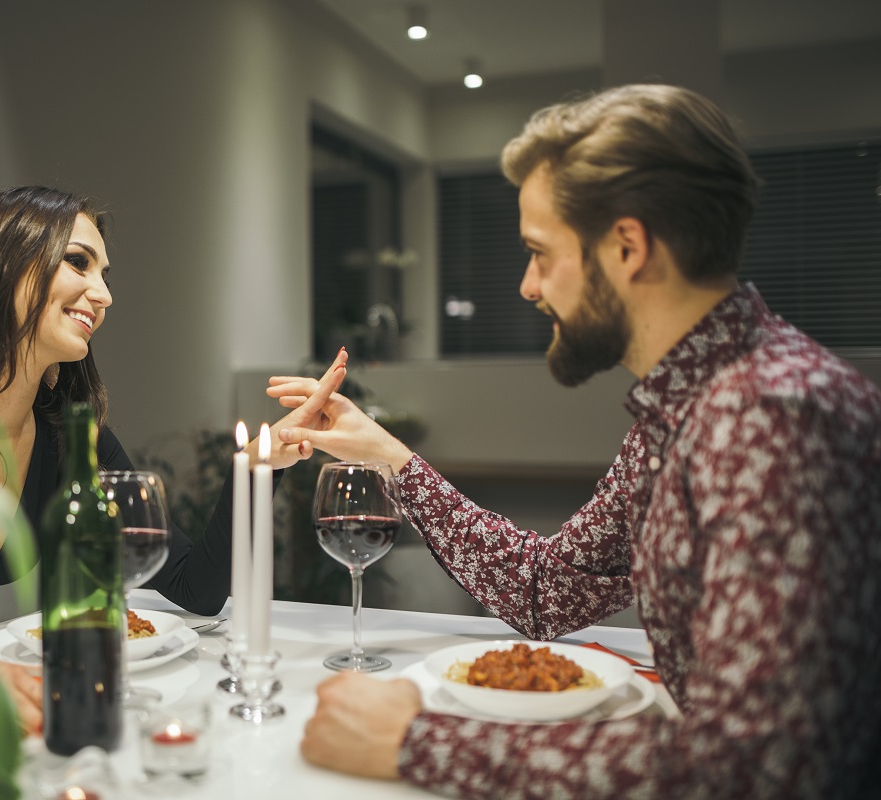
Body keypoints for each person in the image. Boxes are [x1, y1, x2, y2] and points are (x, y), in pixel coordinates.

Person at [274, 84, 881, 798]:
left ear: (627, 247)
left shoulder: (770, 417)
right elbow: (548, 590)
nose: (528, 286)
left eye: (540, 252)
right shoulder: (684, 407)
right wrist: (388, 456)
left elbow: (758, 766)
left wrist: (417, 742)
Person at [0, 186, 346, 731]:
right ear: (2, 267)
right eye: (78, 262)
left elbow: (195, 588)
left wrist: (257, 467)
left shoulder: (68, 437)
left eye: (105, 274)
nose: (103, 295)